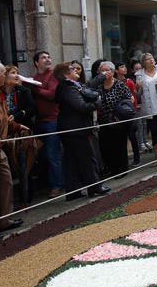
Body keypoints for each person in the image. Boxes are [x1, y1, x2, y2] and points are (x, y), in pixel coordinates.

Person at [54, 62, 110, 202]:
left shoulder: (72, 86)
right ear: (66, 74)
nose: (76, 71)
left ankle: (73, 191)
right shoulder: (68, 88)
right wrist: (97, 103)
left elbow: (87, 87)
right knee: (87, 157)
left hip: (71, 128)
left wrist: (101, 77)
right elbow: (81, 106)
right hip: (76, 128)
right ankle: (95, 186)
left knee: (72, 160)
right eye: (72, 69)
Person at [0, 60, 26, 242]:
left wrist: (17, 126)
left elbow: (3, 118)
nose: (6, 76)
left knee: (5, 182)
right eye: (4, 73)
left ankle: (1, 221)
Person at [29, 51, 64, 198]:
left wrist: (35, 88)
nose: (48, 59)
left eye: (49, 57)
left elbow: (52, 94)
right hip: (39, 121)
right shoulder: (35, 78)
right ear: (36, 62)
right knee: (42, 155)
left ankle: (57, 185)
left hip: (52, 120)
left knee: (52, 154)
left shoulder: (53, 75)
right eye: (44, 57)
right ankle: (46, 184)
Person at [2, 65, 36, 205]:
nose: (16, 75)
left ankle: (26, 198)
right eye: (13, 73)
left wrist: (17, 115)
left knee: (25, 165)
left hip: (22, 133)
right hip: (5, 135)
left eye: (17, 73)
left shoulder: (23, 91)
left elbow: (32, 108)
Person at [95, 62, 133, 178]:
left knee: (119, 146)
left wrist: (119, 115)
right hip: (103, 120)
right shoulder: (98, 86)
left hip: (118, 120)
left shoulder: (119, 85)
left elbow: (128, 99)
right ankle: (110, 169)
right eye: (103, 70)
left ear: (112, 72)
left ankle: (121, 170)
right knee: (105, 146)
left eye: (108, 70)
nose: (106, 73)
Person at [115, 62, 140, 167]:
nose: (124, 68)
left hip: (130, 113)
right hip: (119, 114)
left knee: (132, 136)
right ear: (116, 70)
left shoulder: (129, 82)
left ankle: (137, 158)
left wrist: (133, 110)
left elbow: (133, 97)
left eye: (124, 66)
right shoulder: (114, 83)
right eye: (121, 67)